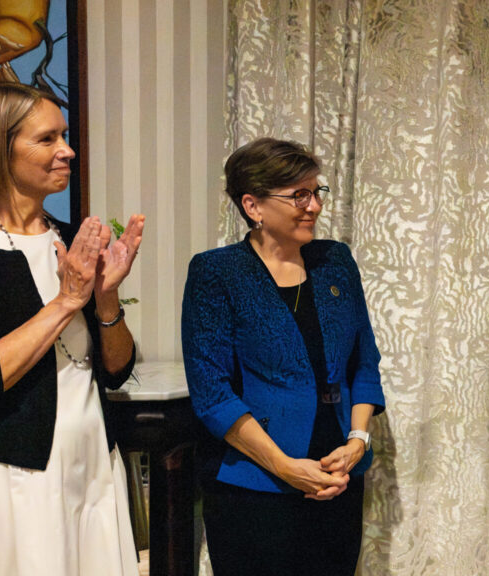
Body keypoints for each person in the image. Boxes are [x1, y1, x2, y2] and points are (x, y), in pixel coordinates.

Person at [0, 82, 145, 575]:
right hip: (0, 477)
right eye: (47, 139)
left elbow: (116, 371)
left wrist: (105, 299)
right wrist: (66, 301)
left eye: (64, 136)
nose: (68, 150)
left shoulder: (69, 239)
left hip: (88, 467)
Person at [182, 137, 385, 575]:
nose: (313, 205)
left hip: (338, 479)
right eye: (298, 195)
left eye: (316, 192)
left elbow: (364, 363)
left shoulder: (336, 261)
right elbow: (212, 395)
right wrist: (286, 467)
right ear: (252, 206)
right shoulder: (216, 273)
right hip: (254, 486)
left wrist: (358, 440)